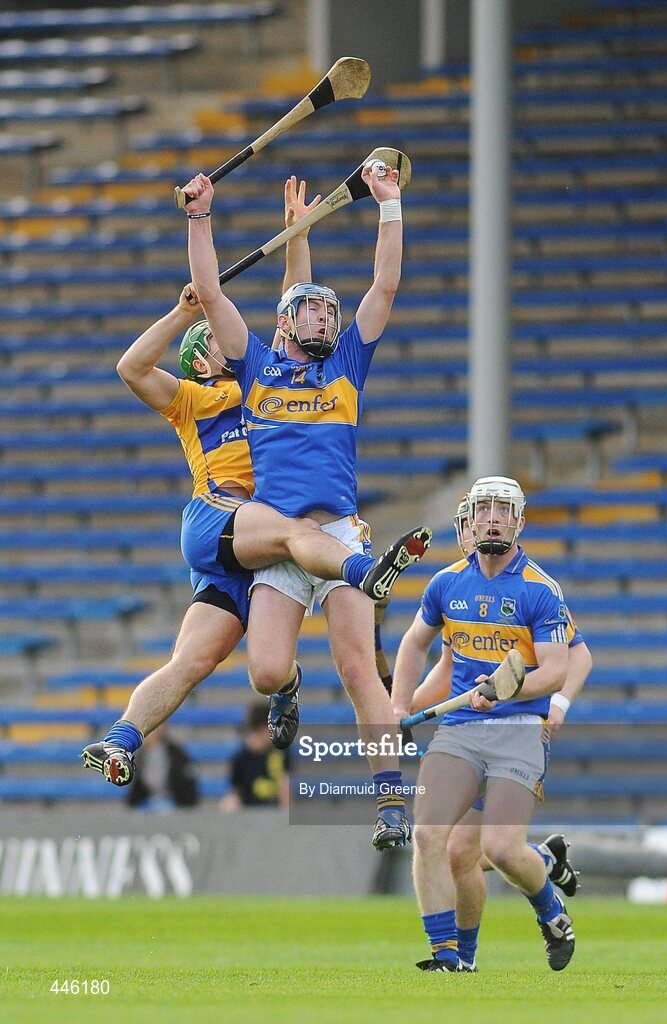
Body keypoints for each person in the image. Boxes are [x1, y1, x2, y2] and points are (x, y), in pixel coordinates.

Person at [81, 179, 427, 791]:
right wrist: (191, 292)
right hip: (233, 524)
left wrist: (300, 231)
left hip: (266, 541)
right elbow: (157, 348)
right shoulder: (200, 396)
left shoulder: (267, 379)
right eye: (215, 340)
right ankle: (360, 576)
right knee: (297, 535)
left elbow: (298, 307)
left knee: (209, 663)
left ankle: (124, 737)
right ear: (201, 357)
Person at [182, 162, 431, 850]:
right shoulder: (256, 366)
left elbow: (385, 284)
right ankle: (289, 688)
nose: (328, 315)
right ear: (287, 317)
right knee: (264, 672)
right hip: (282, 543)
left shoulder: (347, 364)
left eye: (331, 309)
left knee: (357, 670)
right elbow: (207, 291)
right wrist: (200, 215)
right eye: (315, 307)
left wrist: (390, 205)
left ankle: (389, 806)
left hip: (342, 534)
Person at [391, 476, 578, 972]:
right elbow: (414, 645)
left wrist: (507, 690)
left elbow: (557, 669)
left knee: (498, 847)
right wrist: (396, 706)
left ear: (518, 523)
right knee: (434, 839)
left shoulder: (540, 590)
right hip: (460, 733)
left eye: (502, 511)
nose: (491, 518)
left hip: (519, 728)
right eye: (483, 511)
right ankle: (451, 957)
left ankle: (549, 909)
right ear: (469, 521)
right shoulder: (447, 583)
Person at [219, 702, 289, 812]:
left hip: (274, 813)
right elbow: (235, 792)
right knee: (228, 804)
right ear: (263, 729)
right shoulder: (241, 758)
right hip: (248, 814)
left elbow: (284, 788)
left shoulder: (280, 752)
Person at [126, 724, 199, 811]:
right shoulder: (140, 756)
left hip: (174, 803)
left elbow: (186, 782)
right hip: (148, 803)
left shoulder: (175, 753)